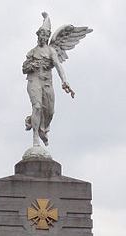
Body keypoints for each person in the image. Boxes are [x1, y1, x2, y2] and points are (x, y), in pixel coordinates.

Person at [23, 12, 74, 148]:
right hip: (34, 81)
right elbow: (24, 68)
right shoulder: (32, 52)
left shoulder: (51, 51)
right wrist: (32, 65)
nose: (43, 37)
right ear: (38, 35)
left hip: (47, 82)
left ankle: (42, 128)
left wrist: (64, 81)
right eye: (41, 35)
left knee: (50, 111)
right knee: (37, 107)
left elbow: (58, 65)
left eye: (46, 35)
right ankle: (35, 140)